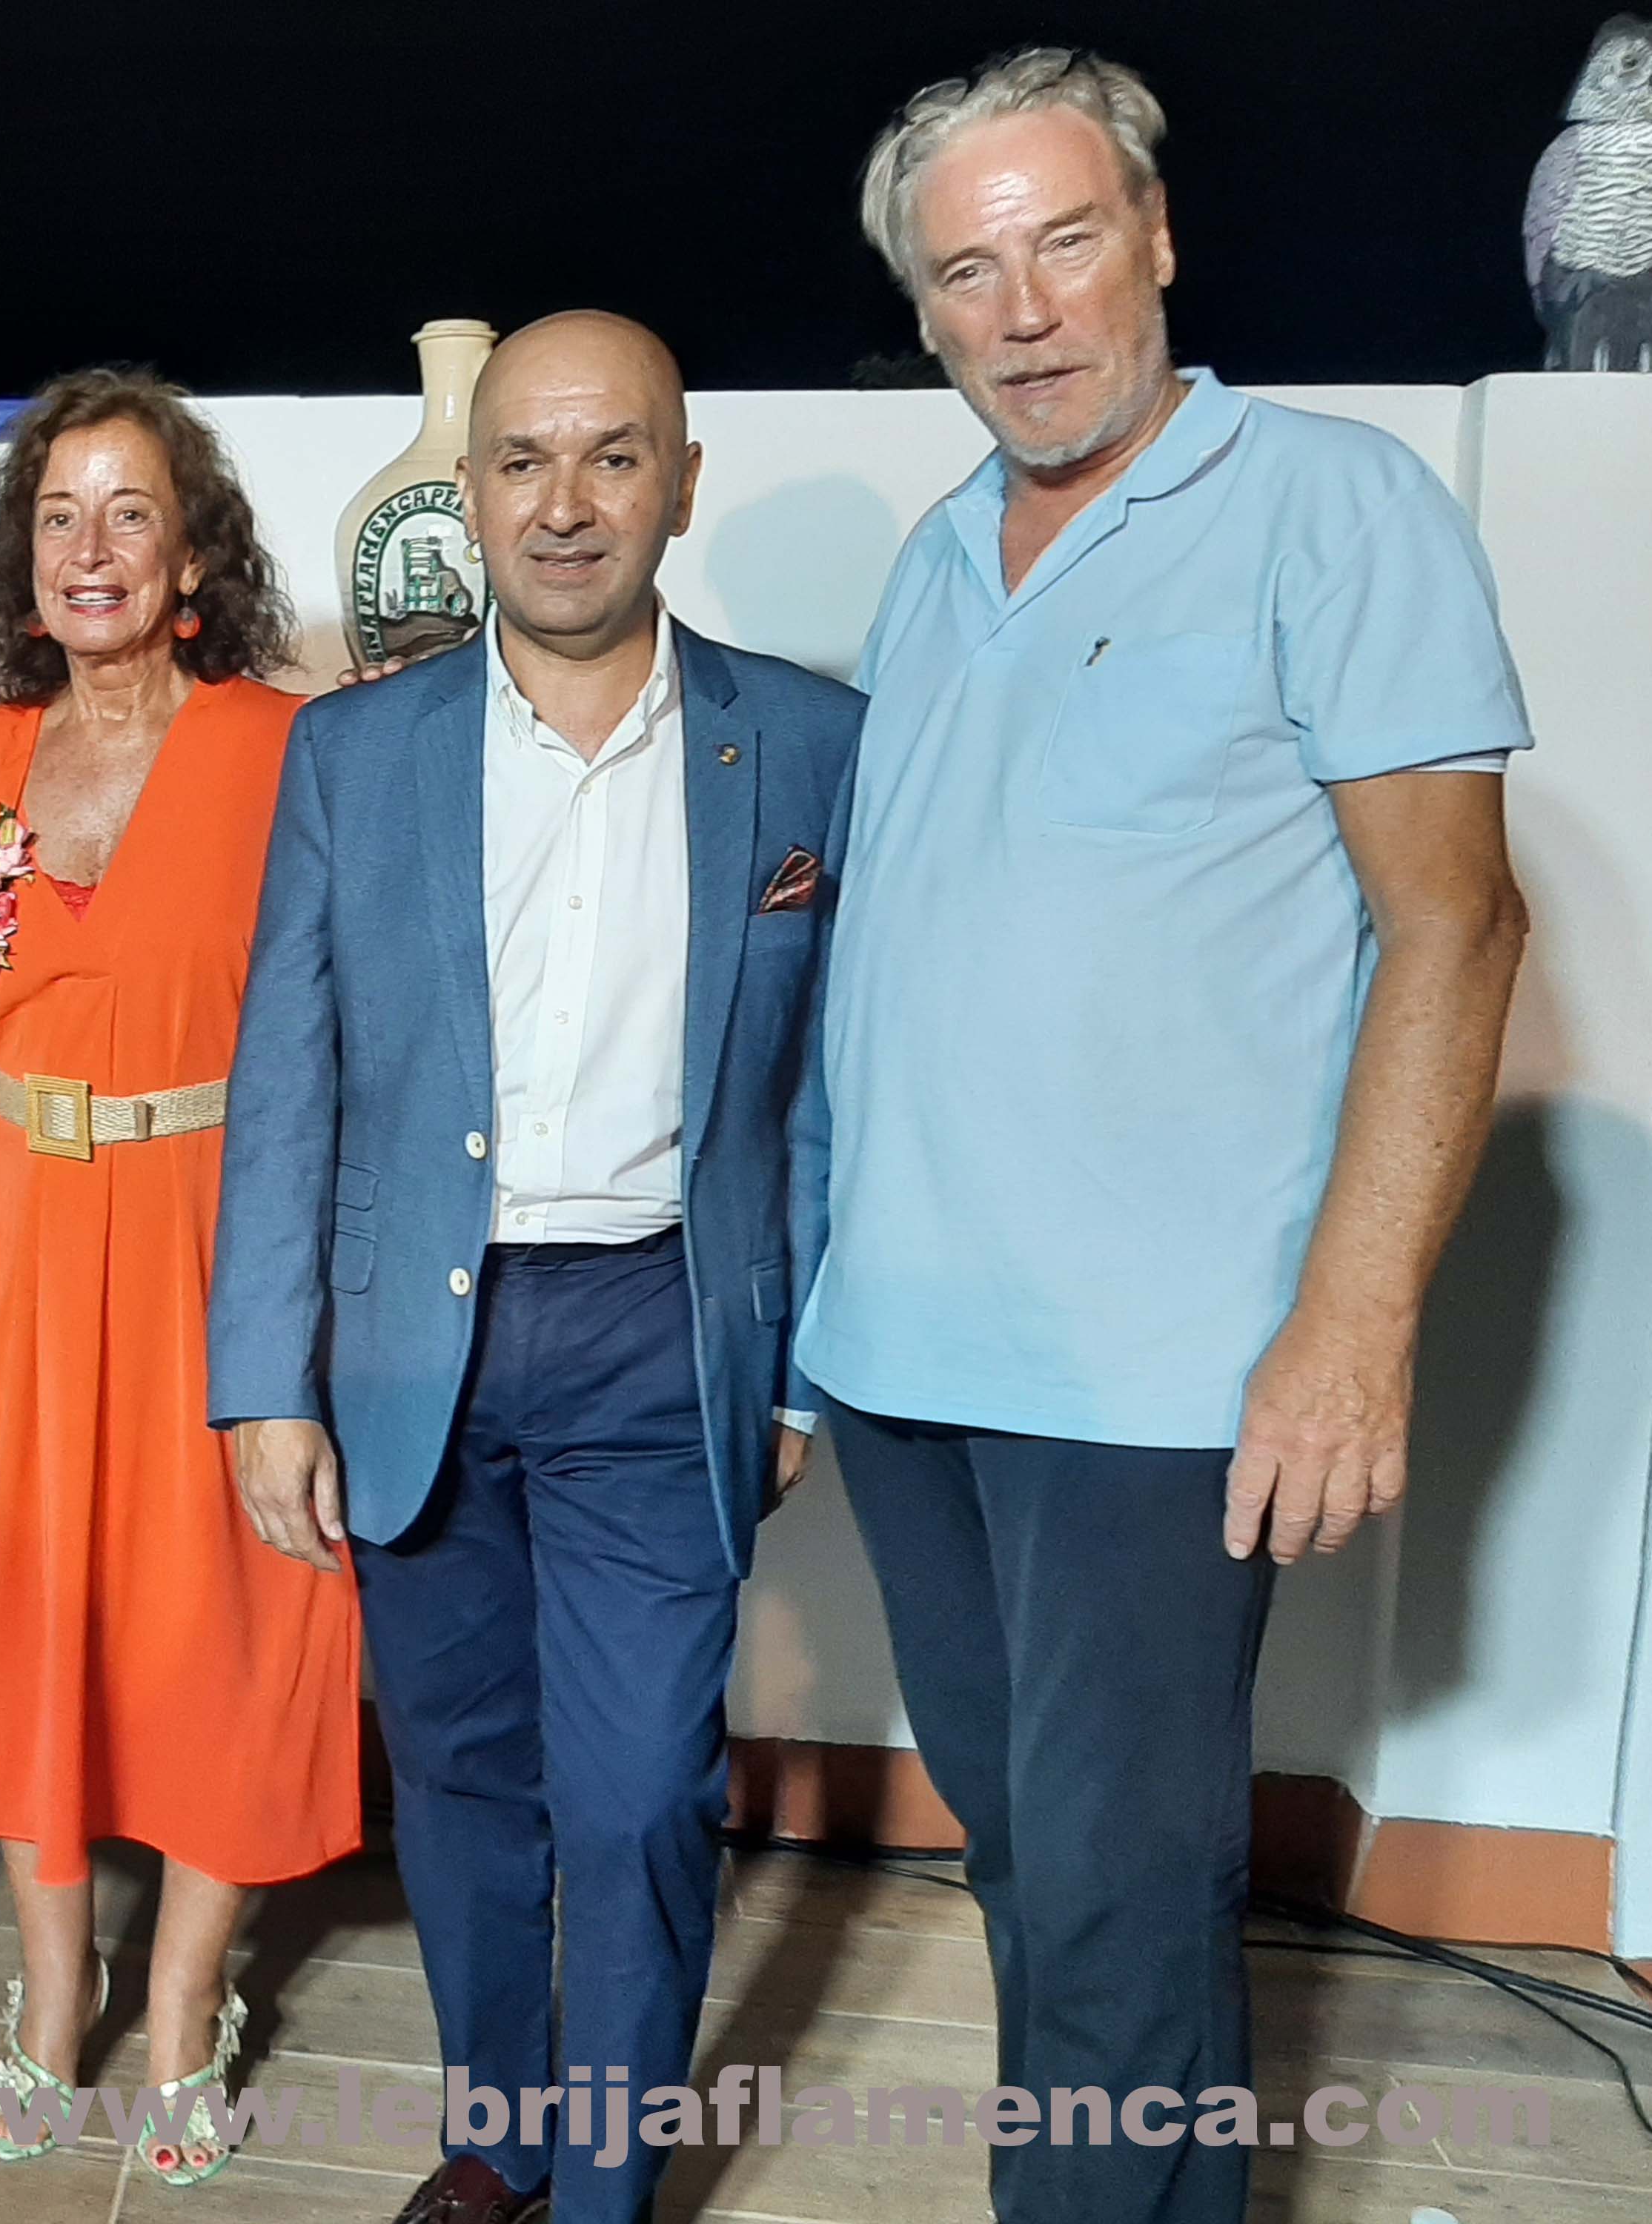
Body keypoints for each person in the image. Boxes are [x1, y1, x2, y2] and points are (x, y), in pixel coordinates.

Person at [810, 50, 1531, 2224]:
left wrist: (1349, 1332)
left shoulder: (1335, 504)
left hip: (1148, 1384)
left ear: (1156, 238)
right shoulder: (938, 557)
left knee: (1121, 1904)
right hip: (905, 1362)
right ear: (925, 314)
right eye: (968, 271)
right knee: (1034, 1873)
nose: (1024, 309)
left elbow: (1457, 928)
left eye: (1064, 242)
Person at [208, 312, 860, 2224]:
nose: (564, 504)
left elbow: (835, 1085)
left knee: (641, 1792)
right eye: (522, 462)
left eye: (612, 456)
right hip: (416, 1344)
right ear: (474, 493)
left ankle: (608, 2185)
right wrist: (263, 1380)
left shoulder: (811, 743)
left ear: (681, 483)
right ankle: (500, 2140)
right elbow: (289, 1077)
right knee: (466, 1779)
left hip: (663, 1332)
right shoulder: (354, 753)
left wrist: (800, 1368)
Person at [0, 371, 361, 2184]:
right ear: (25, 558)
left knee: (224, 1623)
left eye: (131, 513)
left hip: (213, 1235)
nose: (91, 548)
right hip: (12, 1240)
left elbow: (346, 1041)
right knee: (31, 1618)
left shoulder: (284, 750)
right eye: (60, 515)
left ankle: (185, 2005)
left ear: (193, 557)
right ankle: (50, 1993)